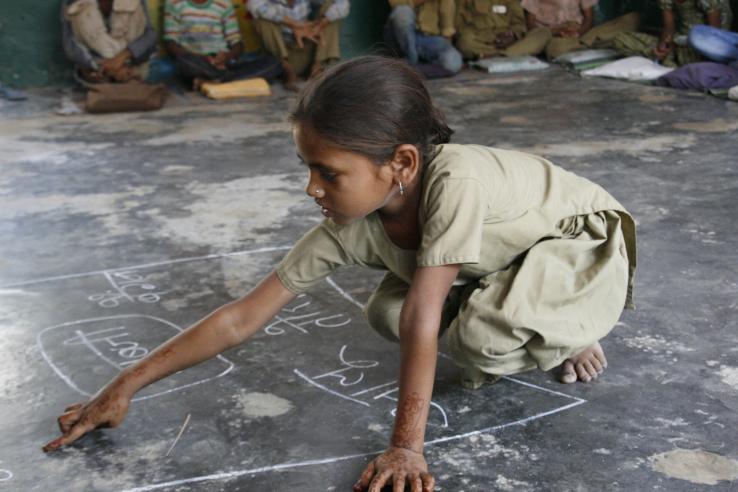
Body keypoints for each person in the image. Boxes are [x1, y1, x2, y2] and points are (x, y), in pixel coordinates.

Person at [42, 56, 636, 490]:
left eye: (328, 172)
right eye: (308, 168)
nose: (311, 188)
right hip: (498, 261)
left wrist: (407, 447)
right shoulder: (352, 221)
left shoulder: (457, 181)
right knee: (386, 313)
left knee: (472, 335)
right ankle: (525, 308)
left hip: (573, 247)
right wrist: (122, 387)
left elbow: (427, 314)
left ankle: (574, 324)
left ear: (401, 163)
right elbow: (241, 318)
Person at [164, 0, 282, 89]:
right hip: (196, 61)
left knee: (273, 63)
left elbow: (238, 44)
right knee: (185, 62)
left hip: (224, 63)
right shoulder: (174, 3)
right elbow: (171, 44)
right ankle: (225, 79)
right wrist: (202, 58)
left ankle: (214, 79)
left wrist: (227, 56)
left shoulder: (224, 3)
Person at [248, 0, 350, 91]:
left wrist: (320, 24)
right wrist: (293, 24)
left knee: (330, 9)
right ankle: (289, 74)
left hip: (307, 51)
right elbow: (253, 4)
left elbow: (343, 3)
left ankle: (317, 69)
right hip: (283, 56)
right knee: (261, 21)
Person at [61, 0, 158, 83]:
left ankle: (125, 75)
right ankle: (113, 74)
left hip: (132, 68)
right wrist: (99, 65)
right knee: (80, 8)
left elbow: (150, 36)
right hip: (97, 72)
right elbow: (70, 45)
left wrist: (121, 58)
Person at [614, 0, 732, 67]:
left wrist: (681, 43)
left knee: (694, 37)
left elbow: (715, 35)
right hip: (678, 42)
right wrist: (662, 47)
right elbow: (668, 28)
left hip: (702, 46)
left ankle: (673, 63)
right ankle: (669, 61)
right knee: (620, 39)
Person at [521, 0, 640, 60]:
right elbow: (530, 24)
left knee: (632, 19)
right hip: (549, 33)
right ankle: (587, 44)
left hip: (578, 31)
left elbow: (588, 19)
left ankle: (583, 43)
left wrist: (578, 33)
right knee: (555, 48)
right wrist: (556, 32)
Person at [385, 0, 464, 76]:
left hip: (428, 40)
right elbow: (396, 3)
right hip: (402, 38)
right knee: (402, 12)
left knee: (453, 63)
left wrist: (446, 47)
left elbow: (447, 26)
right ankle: (411, 63)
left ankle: (410, 70)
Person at [455, 0, 552, 59]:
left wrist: (513, 35)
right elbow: (461, 27)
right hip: (482, 40)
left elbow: (520, 24)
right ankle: (509, 55)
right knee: (464, 42)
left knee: (543, 32)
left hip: (511, 40)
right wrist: (490, 38)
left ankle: (497, 56)